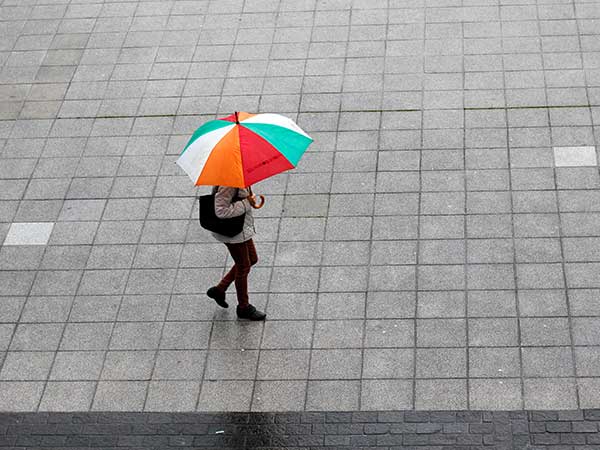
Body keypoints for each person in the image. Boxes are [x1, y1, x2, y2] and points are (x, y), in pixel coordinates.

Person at [206, 185, 266, 321]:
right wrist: (246, 203)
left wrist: (249, 198)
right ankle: (243, 307)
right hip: (232, 232)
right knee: (243, 265)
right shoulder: (228, 184)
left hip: (242, 228)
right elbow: (220, 210)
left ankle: (219, 290)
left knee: (252, 259)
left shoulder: (239, 178)